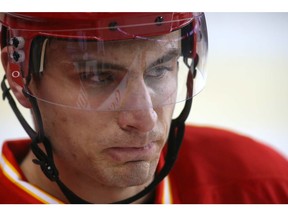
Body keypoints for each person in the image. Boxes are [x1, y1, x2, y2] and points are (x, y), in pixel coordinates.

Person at [0, 12, 287, 204]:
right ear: (20, 80)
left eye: (160, 69)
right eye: (98, 76)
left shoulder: (265, 185)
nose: (145, 119)